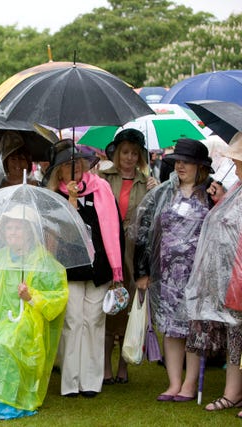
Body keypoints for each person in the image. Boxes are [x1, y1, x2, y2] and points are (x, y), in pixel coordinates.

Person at [0, 206, 68, 419]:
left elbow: (57, 296)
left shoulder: (44, 263)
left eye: (18, 228)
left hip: (28, 321)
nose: (13, 233)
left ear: (30, 232)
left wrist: (31, 296)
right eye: (9, 228)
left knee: (7, 343)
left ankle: (9, 399)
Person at [133, 138, 219, 402]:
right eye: (178, 161)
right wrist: (142, 271)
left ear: (199, 167)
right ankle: (173, 383)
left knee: (193, 328)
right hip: (167, 275)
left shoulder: (211, 195)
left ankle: (190, 385)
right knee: (171, 329)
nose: (180, 166)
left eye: (186, 162)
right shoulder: (163, 193)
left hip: (198, 275)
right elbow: (144, 230)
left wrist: (220, 199)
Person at [44, 139, 124, 398]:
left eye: (77, 162)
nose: (75, 168)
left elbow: (115, 229)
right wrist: (71, 200)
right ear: (59, 171)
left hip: (99, 268)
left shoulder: (101, 188)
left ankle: (91, 381)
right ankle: (70, 382)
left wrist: (116, 269)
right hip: (70, 268)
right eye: (68, 165)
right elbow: (63, 232)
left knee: (93, 321)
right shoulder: (54, 196)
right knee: (73, 322)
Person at [184, 133, 242, 416]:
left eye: (239, 161)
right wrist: (220, 200)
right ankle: (233, 393)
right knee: (235, 332)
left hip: (237, 275)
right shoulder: (237, 190)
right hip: (232, 278)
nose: (235, 165)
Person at [98, 129, 157, 385]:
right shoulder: (102, 176)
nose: (129, 157)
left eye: (134, 153)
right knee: (108, 307)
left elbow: (153, 222)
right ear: (116, 153)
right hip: (108, 249)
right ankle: (104, 368)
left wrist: (155, 190)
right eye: (125, 152)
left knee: (130, 306)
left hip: (135, 253)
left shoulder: (147, 182)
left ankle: (123, 366)